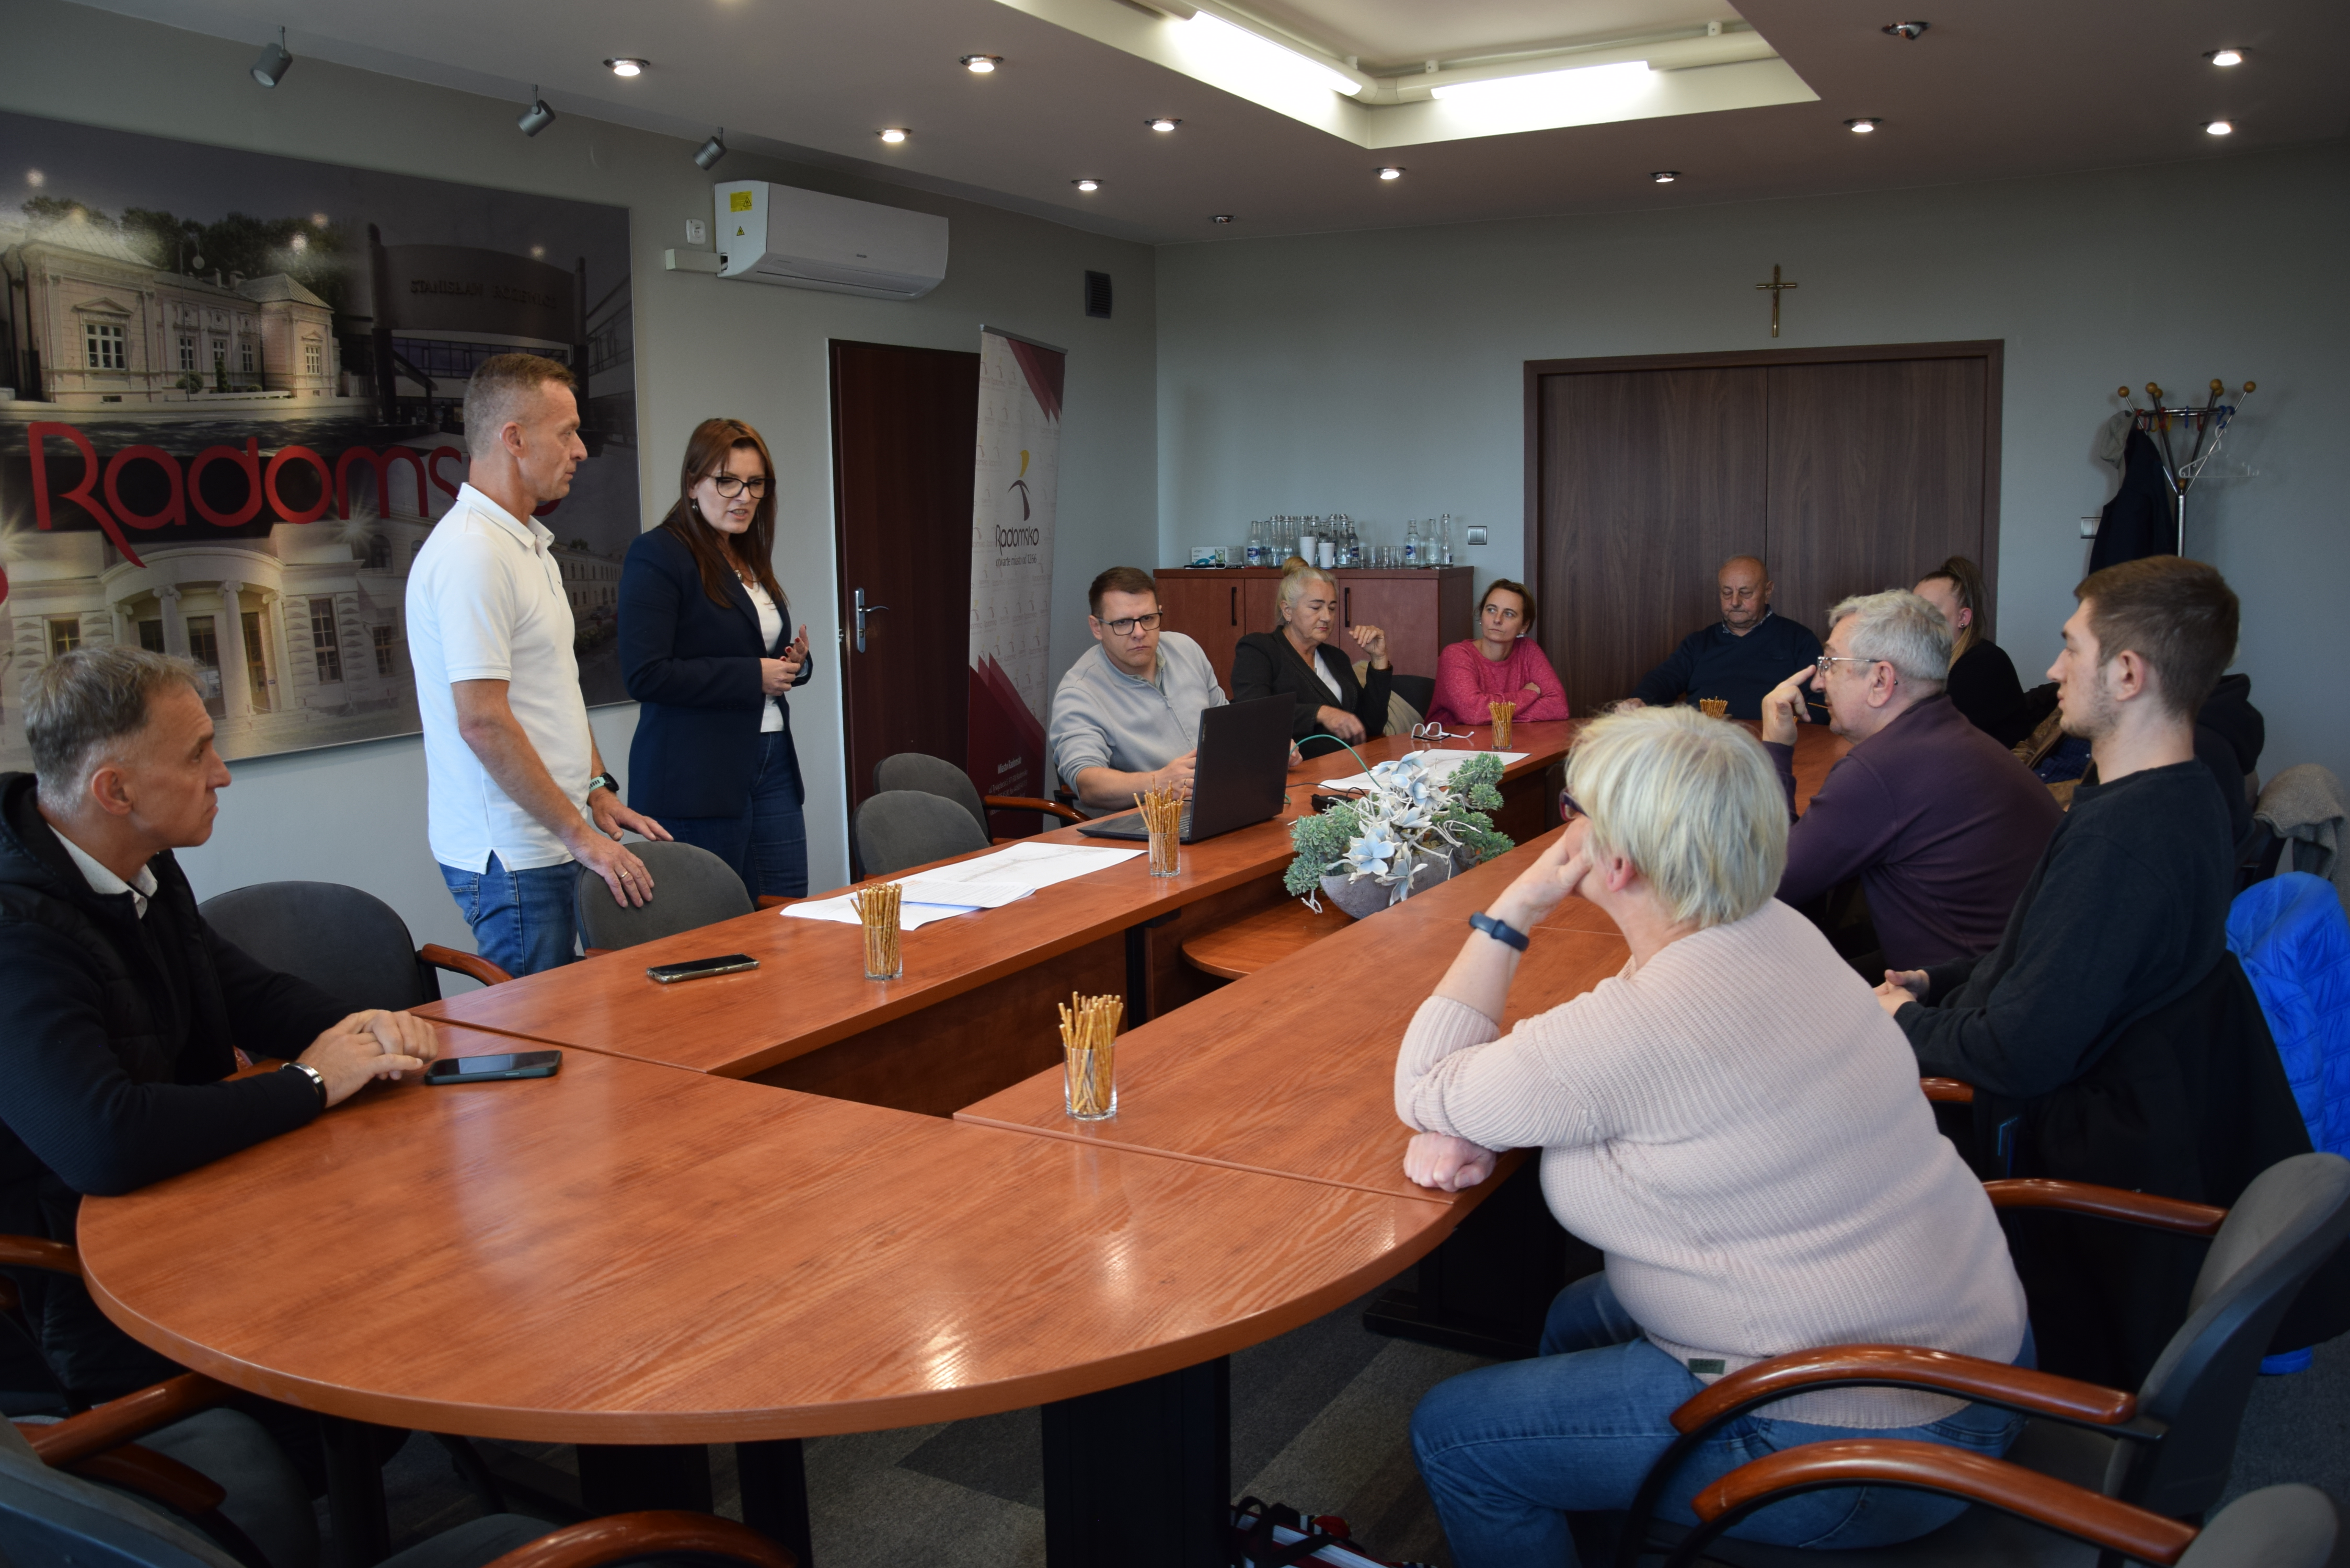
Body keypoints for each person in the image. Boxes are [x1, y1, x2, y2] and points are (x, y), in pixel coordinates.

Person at [1395, 707, 2029, 1568]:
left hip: (1857, 1449)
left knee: (1452, 1432)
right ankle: (1601, 1525)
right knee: (1575, 1315)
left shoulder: (1642, 1026)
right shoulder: (1773, 929)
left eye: (1571, 809)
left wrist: (1513, 907)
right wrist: (1499, 1113)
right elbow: (1631, 1075)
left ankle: (1558, 1499)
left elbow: (1424, 1085)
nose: (1562, 829)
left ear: (1611, 858)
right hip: (1971, 1354)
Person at [0, 648, 439, 1554]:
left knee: (417, 1277)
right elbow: (104, 1141)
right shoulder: (18, 930)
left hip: (197, 1213)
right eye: (199, 752)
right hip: (84, 1290)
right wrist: (312, 1082)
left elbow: (247, 992)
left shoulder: (140, 862)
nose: (223, 773)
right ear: (116, 789)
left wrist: (370, 1027)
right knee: (383, 1326)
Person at [1879, 557, 2241, 1097]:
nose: (2052, 670)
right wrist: (1936, 981)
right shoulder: (2185, 794)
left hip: (2035, 1143)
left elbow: (2016, 1053)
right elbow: (2053, 962)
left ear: (2126, 673)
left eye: (2071, 648)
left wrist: (1903, 1020)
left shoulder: (2119, 842)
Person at [407, 354, 670, 975]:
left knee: (579, 1038)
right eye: (567, 432)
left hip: (557, 837)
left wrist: (596, 790)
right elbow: (483, 723)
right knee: (535, 1050)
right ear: (514, 439)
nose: (581, 450)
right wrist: (582, 838)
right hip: (516, 855)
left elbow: (557, 692)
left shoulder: (528, 545)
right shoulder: (472, 554)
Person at [1757, 590, 2059, 972]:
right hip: (2008, 973)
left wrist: (1776, 749)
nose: (1817, 682)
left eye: (1830, 662)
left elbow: (1769, 884)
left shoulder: (1881, 770)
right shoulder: (1949, 734)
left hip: (1963, 1007)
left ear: (1882, 680)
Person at [618, 418, 812, 897]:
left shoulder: (746, 553)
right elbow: (646, 674)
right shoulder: (658, 554)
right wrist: (753, 675)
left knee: (788, 917)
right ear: (692, 484)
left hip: (772, 759)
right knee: (719, 930)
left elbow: (750, 649)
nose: (743, 496)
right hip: (697, 774)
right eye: (726, 481)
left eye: (755, 483)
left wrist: (792, 664)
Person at [1048, 567, 1228, 815]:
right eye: (1123, 623)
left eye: (1148, 619)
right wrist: (1159, 782)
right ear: (1096, 627)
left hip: (1218, 802)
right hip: (1149, 826)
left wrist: (1261, 747)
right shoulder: (1079, 692)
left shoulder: (1186, 650)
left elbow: (1226, 725)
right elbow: (1086, 782)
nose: (1139, 633)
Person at [1625, 555, 1825, 721]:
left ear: (1767, 592)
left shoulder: (1799, 640)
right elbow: (1664, 679)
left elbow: (1820, 705)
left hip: (1773, 744)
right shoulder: (1699, 642)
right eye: (1727, 593)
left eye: (1745, 593)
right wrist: (1639, 701)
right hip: (1703, 743)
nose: (1735, 602)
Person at [1232, 566, 1391, 758]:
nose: (1327, 617)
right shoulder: (1259, 648)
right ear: (1288, 610)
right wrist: (1321, 713)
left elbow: (1372, 724)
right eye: (1316, 607)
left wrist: (1379, 658)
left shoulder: (1336, 657)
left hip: (1349, 766)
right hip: (1297, 770)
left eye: (1332, 608)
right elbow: (1254, 712)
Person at [1914, 556, 2033, 746]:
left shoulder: (1985, 663)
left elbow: (1927, 735)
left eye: (1930, 611)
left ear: (1963, 617)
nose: (1916, 620)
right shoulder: (1929, 662)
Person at [1429, 579, 1569, 727]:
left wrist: (1496, 718)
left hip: (1504, 744)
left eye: (1509, 614)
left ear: (1524, 625)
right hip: (1450, 746)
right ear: (1481, 616)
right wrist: (1529, 694)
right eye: (1491, 610)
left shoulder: (1528, 650)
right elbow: (1474, 713)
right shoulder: (1456, 655)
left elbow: (1559, 707)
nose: (1497, 619)